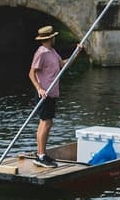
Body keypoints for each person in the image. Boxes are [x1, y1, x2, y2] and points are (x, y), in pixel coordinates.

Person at [28, 25, 81, 168]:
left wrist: (76, 53)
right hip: (44, 93)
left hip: (52, 92)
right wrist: (39, 88)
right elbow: (31, 73)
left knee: (47, 123)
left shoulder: (52, 51)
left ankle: (41, 154)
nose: (54, 39)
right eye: (53, 37)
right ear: (50, 38)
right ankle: (40, 156)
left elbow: (63, 64)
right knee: (45, 123)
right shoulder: (41, 53)